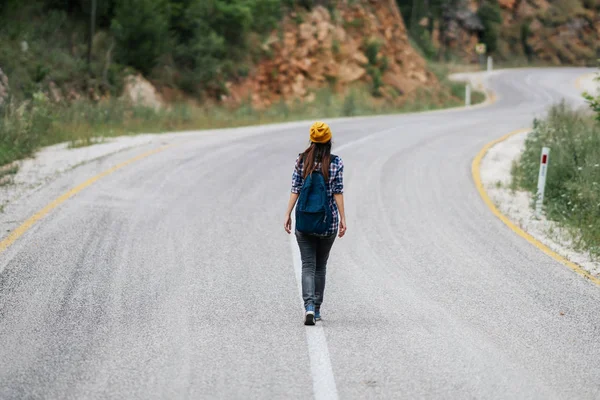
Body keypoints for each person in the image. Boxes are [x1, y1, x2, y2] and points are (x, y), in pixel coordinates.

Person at [284, 121, 347, 325]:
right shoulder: (336, 163)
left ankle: (308, 307)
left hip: (304, 221)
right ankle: (317, 309)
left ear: (312, 140)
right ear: (329, 141)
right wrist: (343, 219)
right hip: (327, 224)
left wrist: (288, 214)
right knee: (320, 267)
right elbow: (337, 192)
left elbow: (295, 188)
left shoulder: (301, 161)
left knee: (307, 265)